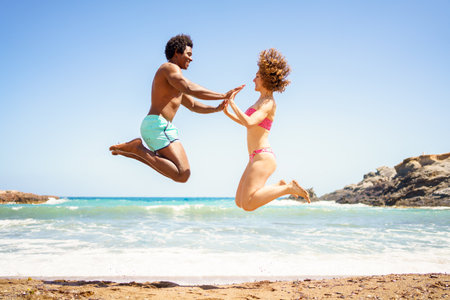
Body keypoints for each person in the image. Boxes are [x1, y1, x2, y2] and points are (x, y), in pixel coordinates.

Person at [109, 34, 243, 182]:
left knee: (181, 173)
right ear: (176, 53)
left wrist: (216, 109)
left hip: (161, 126)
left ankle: (133, 151)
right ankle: (137, 150)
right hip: (157, 125)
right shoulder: (169, 68)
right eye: (188, 54)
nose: (191, 59)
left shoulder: (175, 83)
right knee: (182, 174)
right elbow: (188, 87)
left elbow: (193, 105)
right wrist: (223, 95)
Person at [223, 48, 310, 211]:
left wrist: (233, 102)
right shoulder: (260, 100)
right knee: (239, 202)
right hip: (254, 157)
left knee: (248, 205)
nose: (253, 79)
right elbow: (247, 123)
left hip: (263, 157)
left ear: (265, 78)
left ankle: (288, 188)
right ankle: (280, 185)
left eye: (257, 76)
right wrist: (227, 111)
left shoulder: (269, 102)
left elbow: (249, 122)